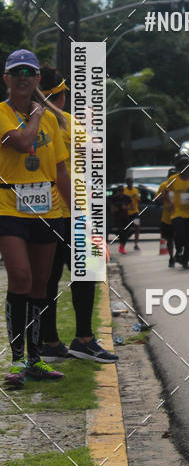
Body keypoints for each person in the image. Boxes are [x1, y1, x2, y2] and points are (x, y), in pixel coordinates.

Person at [37, 65, 117, 363]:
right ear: (60, 94)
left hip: (39, 213)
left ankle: (49, 342)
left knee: (47, 279)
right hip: (76, 211)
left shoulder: (24, 124)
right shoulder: (71, 124)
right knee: (86, 275)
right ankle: (83, 339)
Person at [0, 49, 71, 388]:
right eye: (16, 73)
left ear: (38, 79)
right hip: (9, 207)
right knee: (20, 277)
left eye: (29, 72)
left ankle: (35, 358)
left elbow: (60, 170)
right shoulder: (2, 114)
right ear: (7, 80)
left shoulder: (54, 122)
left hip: (49, 209)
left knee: (42, 285)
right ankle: (14, 362)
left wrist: (74, 215)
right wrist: (37, 115)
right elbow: (23, 141)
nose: (23, 77)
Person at [167, 156, 189, 269]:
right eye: (183, 168)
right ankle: (178, 251)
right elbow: (166, 193)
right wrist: (169, 203)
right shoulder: (172, 179)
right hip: (177, 213)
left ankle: (185, 260)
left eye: (188, 168)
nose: (186, 171)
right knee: (180, 235)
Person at [156, 167, 177, 267]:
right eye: (170, 176)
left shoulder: (179, 185)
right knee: (170, 239)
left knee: (180, 238)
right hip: (167, 218)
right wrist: (163, 196)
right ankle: (171, 257)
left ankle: (178, 253)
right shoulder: (163, 186)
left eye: (174, 175)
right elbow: (157, 199)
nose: (172, 178)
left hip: (179, 216)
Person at [110, 185, 133, 254]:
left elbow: (132, 207)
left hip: (126, 217)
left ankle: (122, 246)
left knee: (126, 233)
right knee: (121, 232)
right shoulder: (114, 198)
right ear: (117, 192)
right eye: (119, 191)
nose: (120, 193)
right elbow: (111, 208)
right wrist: (114, 209)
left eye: (122, 191)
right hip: (118, 218)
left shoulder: (127, 198)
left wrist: (126, 207)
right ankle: (121, 246)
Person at [123, 176, 141, 250]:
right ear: (127, 183)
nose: (131, 183)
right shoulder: (124, 190)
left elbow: (139, 199)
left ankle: (136, 244)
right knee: (127, 229)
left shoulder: (135, 190)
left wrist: (136, 197)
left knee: (137, 228)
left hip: (135, 212)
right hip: (127, 212)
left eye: (132, 182)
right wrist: (129, 197)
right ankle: (123, 244)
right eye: (129, 182)